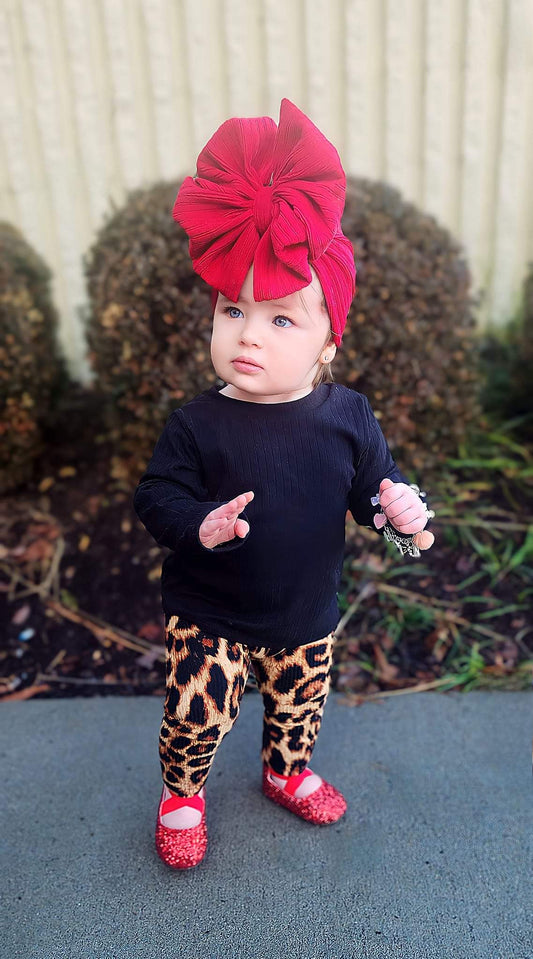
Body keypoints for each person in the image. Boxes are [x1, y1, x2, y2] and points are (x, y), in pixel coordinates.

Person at [133, 98, 435, 870]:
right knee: (196, 713)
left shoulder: (346, 417)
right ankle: (181, 792)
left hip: (304, 612)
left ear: (328, 342)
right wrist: (197, 524)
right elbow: (156, 496)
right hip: (209, 613)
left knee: (300, 705)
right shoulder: (197, 424)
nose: (247, 334)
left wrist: (398, 510)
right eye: (232, 309)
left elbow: (375, 488)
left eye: (279, 320)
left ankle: (284, 770)